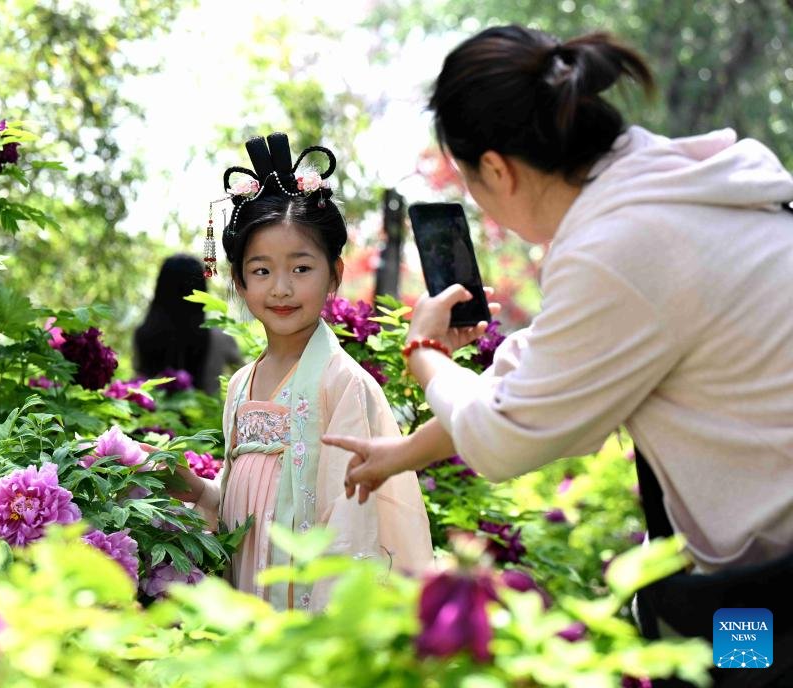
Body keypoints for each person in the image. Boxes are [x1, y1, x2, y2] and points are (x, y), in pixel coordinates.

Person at [324, 24, 793, 665]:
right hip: (760, 579)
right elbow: (538, 383)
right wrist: (403, 451)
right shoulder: (677, 185)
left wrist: (424, 354)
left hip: (769, 598)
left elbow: (509, 435)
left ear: (496, 169)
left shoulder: (621, 244)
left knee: (739, 669)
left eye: (474, 185)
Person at [170, 132, 432, 611]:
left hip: (307, 606)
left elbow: (353, 525)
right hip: (246, 597)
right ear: (240, 281)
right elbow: (237, 511)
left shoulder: (342, 383)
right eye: (262, 271)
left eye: (302, 268)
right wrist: (191, 486)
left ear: (333, 273)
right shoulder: (241, 387)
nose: (282, 289)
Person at [134, 253, 241, 395]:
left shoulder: (144, 334)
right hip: (207, 415)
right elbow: (249, 382)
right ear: (200, 291)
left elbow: (139, 384)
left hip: (154, 416)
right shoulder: (221, 338)